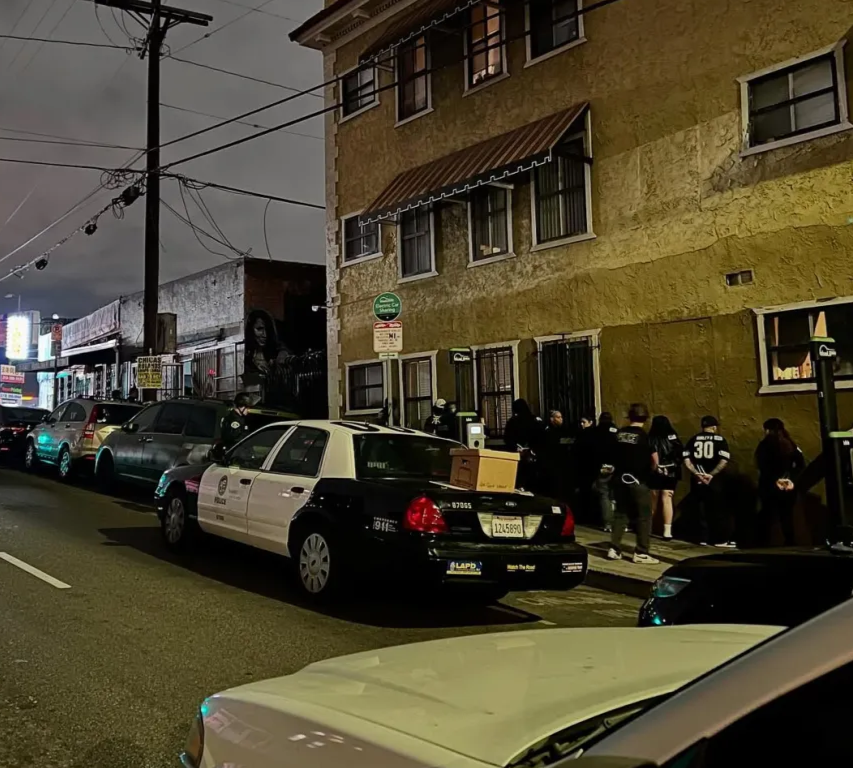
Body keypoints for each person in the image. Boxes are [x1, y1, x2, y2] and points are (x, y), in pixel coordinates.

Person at [608, 403, 660, 564]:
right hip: (637, 480)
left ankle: (614, 549)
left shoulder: (619, 434)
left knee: (620, 514)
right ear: (645, 418)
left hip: (619, 479)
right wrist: (651, 470)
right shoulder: (645, 437)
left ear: (629, 417)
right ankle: (641, 552)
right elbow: (655, 460)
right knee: (644, 516)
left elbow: (611, 456)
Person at [683, 415, 734, 548]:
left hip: (697, 479)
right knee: (717, 508)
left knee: (700, 509)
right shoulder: (720, 440)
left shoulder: (693, 439)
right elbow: (724, 460)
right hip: (715, 480)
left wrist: (696, 473)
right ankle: (719, 539)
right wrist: (711, 474)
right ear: (714, 427)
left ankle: (702, 538)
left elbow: (687, 460)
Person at [755, 418, 805, 546]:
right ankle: (790, 542)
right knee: (787, 515)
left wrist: (775, 480)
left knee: (767, 514)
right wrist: (791, 480)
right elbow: (800, 465)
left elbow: (762, 465)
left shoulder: (764, 445)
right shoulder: (791, 445)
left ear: (767, 430)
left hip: (769, 485)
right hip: (788, 486)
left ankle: (763, 543)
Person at [576, 412, 618, 530]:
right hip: (615, 467)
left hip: (601, 466)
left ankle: (608, 523)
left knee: (604, 494)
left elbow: (590, 450)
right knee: (615, 495)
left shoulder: (594, 432)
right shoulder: (617, 432)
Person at [648, 415, 684, 540]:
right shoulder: (673, 437)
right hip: (671, 471)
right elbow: (680, 453)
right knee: (667, 499)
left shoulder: (651, 438)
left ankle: (647, 528)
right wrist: (673, 465)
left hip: (655, 472)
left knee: (652, 500)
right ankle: (667, 531)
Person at [504, 398, 545, 491]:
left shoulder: (512, 422)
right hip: (533, 454)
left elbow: (507, 438)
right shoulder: (535, 420)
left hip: (517, 454)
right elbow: (541, 436)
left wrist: (516, 447)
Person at [541, 410, 573, 500]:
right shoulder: (547, 431)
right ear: (552, 419)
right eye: (558, 417)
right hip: (551, 463)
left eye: (561, 417)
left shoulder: (563, 430)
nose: (561, 419)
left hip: (562, 463)